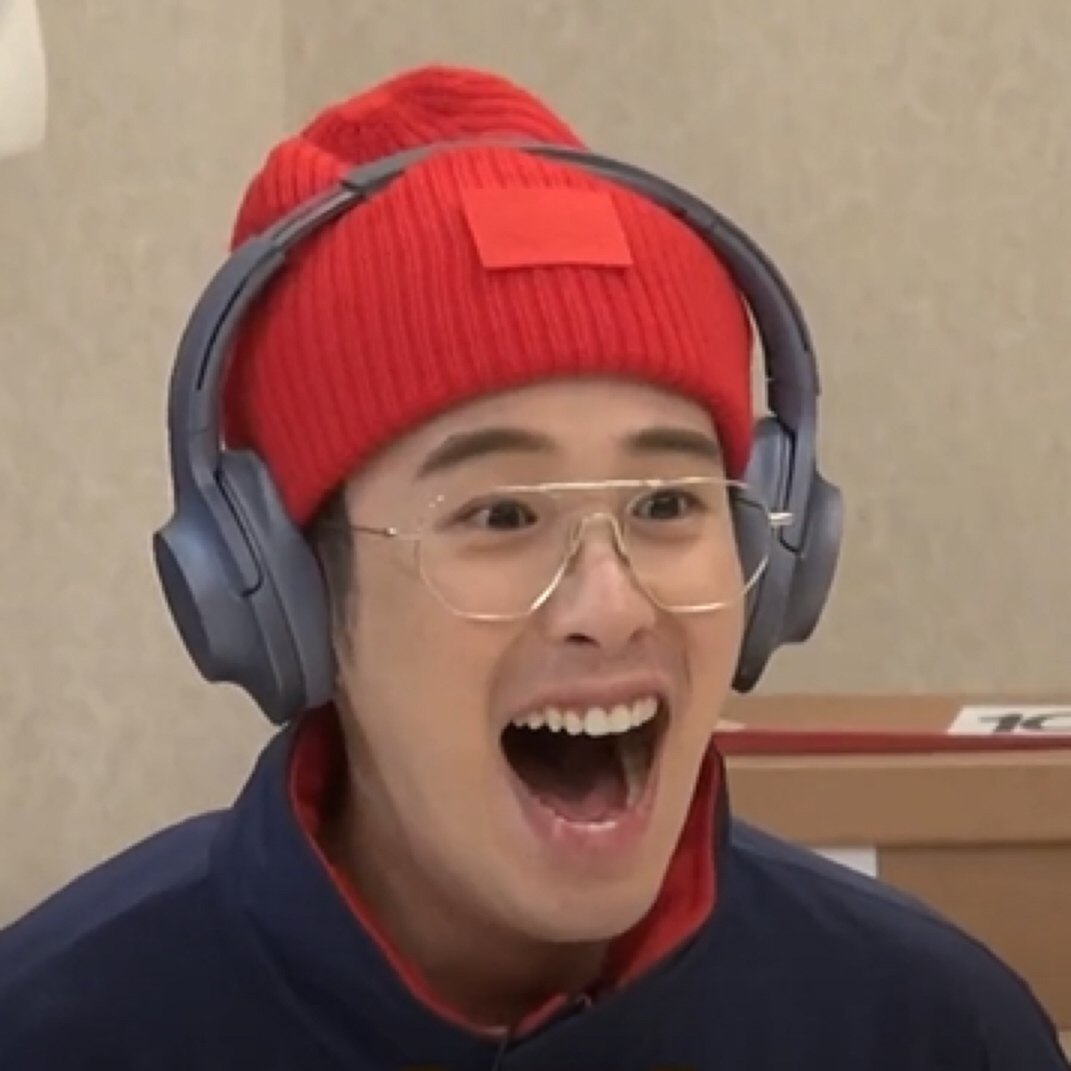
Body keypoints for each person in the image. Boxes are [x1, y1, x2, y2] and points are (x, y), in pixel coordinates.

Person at [0, 64, 1065, 1071]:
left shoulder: (933, 1031)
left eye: (666, 505)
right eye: (501, 514)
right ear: (292, 597)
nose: (610, 603)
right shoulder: (54, 1030)